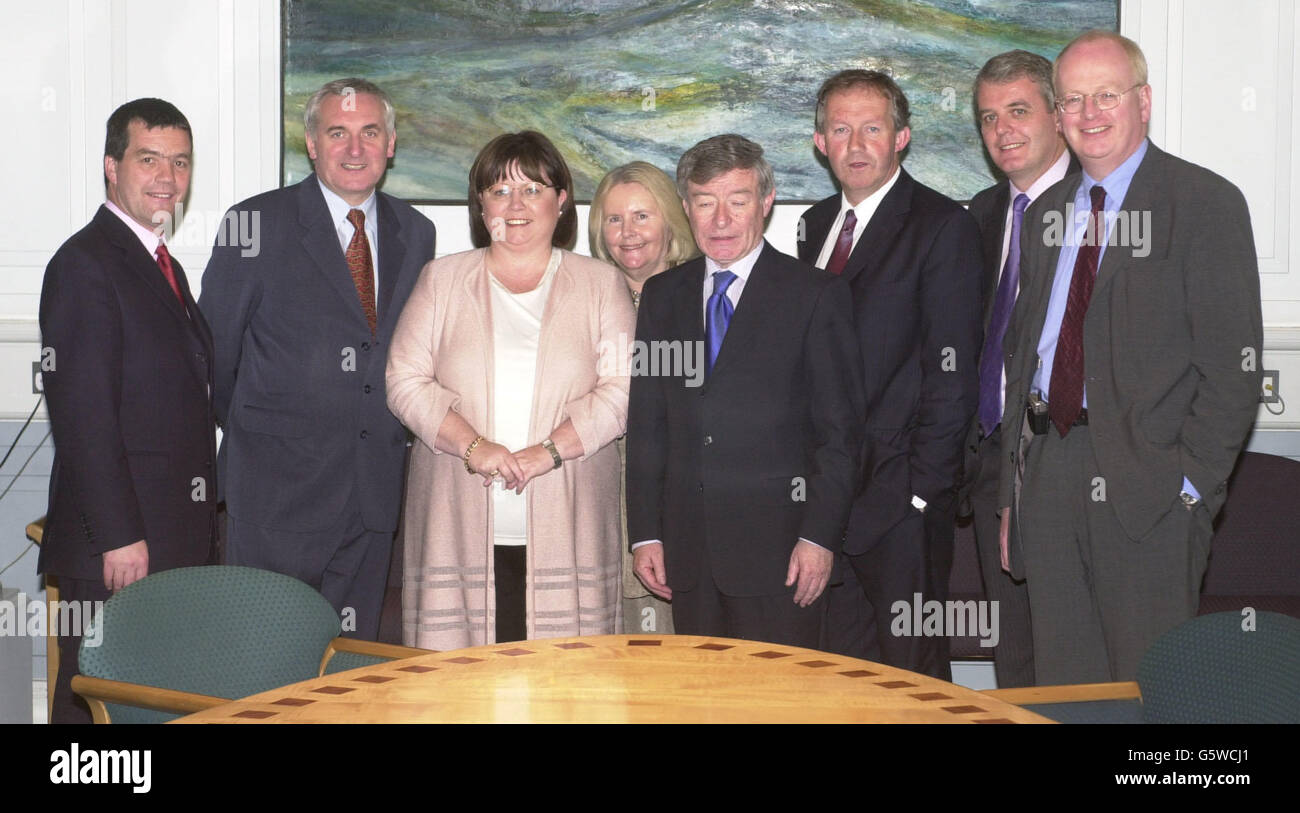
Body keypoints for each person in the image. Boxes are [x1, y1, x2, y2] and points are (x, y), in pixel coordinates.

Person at [998, 31, 1262, 684]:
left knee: (1150, 689)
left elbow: (1235, 369)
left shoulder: (1203, 204)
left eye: (1107, 95)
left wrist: (1189, 488)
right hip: (1050, 470)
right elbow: (1024, 355)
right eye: (1074, 99)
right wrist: (1014, 489)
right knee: (1066, 687)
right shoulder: (1045, 212)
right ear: (1058, 115)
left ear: (1143, 101)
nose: (1090, 114)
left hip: (1150, 486)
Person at [199, 78, 436, 640]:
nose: (355, 149)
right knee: (266, 664)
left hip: (374, 497)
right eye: (338, 133)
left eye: (369, 132)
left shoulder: (416, 232)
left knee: (351, 670)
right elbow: (215, 359)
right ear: (310, 143)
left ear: (391, 143)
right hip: (275, 496)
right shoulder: (252, 225)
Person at [387, 131, 634, 649]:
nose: (515, 205)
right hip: (455, 522)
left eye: (533, 189)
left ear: (562, 199)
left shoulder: (600, 284)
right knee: (461, 693)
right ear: (480, 204)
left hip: (571, 522)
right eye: (499, 190)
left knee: (564, 693)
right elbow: (404, 381)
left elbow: (622, 391)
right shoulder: (441, 279)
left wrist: (549, 451)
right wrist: (474, 447)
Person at [627, 134, 863, 648]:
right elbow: (648, 425)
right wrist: (645, 532)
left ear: (766, 201)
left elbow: (839, 436)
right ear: (685, 207)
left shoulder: (815, 296)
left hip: (782, 557)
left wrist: (819, 537)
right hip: (688, 555)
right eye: (705, 203)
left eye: (737, 201)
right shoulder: (663, 296)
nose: (720, 220)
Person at [797, 70, 982, 679]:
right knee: (843, 676)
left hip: (902, 504)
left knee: (913, 677)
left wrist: (921, 493)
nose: (855, 145)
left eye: (872, 129)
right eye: (840, 129)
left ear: (901, 137)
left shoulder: (942, 226)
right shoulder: (814, 227)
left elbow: (953, 372)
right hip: (828, 504)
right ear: (820, 142)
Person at [40, 98, 216, 723]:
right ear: (112, 167)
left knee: (148, 702)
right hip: (116, 549)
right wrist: (120, 537)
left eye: (180, 162)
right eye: (149, 160)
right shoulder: (86, 265)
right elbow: (82, 416)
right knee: (93, 703)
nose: (167, 178)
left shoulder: (161, 266)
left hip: (167, 538)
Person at [962, 50, 1075, 688]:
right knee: (1015, 653)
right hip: (988, 461)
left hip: (1066, 462)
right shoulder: (979, 215)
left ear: (1058, 116)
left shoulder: (1099, 207)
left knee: (1072, 653)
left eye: (1019, 111)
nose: (1002, 130)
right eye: (988, 117)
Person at [589, 161, 699, 634]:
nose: (627, 233)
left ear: (670, 220)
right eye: (614, 219)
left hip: (680, 496)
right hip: (595, 492)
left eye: (641, 216)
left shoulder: (704, 292)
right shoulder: (582, 293)